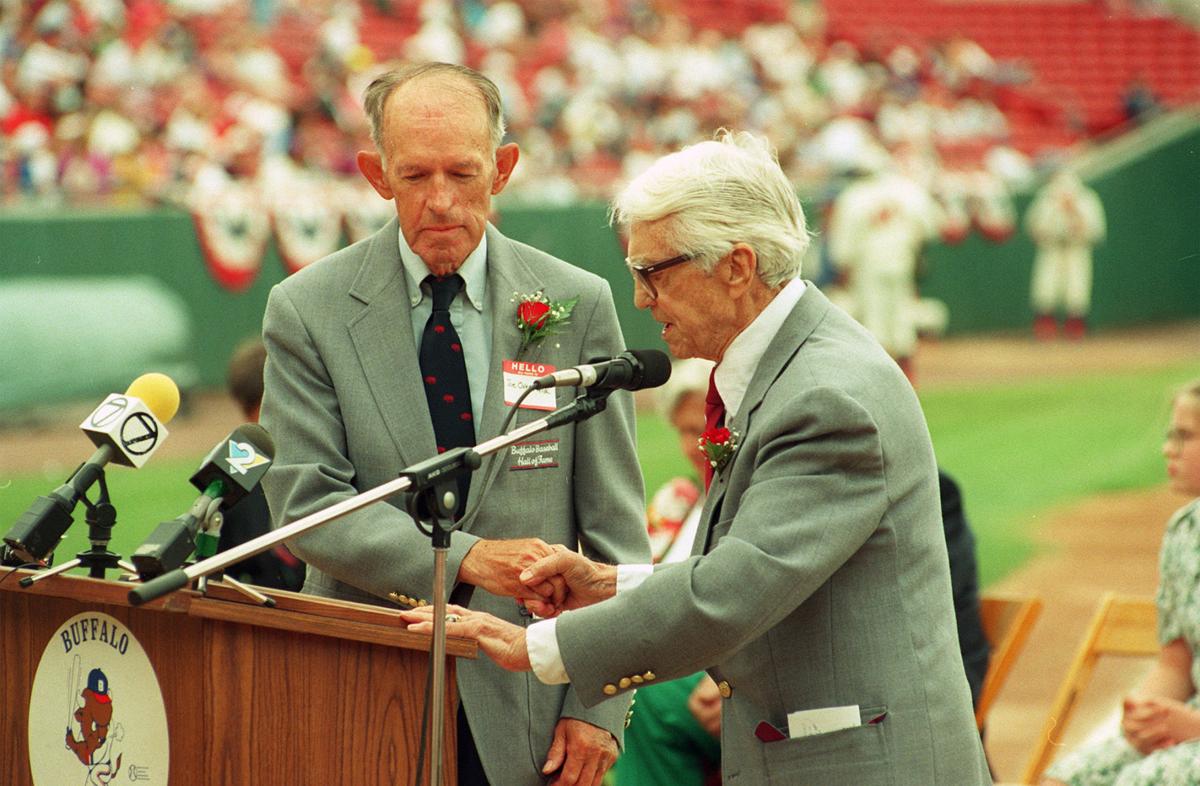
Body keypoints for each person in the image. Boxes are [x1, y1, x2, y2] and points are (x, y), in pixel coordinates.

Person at [402, 131, 992, 784]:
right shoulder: (794, 368)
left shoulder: (826, 395)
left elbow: (734, 591)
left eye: (653, 272)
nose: (640, 299)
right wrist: (607, 585)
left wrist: (535, 647)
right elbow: (746, 571)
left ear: (737, 267)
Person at [259, 63, 649, 786]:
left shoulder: (578, 302)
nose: (440, 201)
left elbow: (615, 531)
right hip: (356, 691)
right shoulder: (306, 309)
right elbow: (306, 509)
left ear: (502, 169)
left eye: (462, 173)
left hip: (531, 712)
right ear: (377, 175)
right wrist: (469, 558)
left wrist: (599, 708)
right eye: (414, 176)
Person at [1041, 380, 1200, 786]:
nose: (1168, 448)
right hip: (1188, 727)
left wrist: (1190, 726)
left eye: (1184, 436)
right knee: (1064, 778)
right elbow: (1174, 664)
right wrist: (1145, 714)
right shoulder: (1185, 532)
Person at [609, 357, 721, 786]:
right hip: (666, 664)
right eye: (688, 431)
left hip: (717, 677)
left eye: (708, 428)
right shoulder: (678, 500)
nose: (698, 445)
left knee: (643, 697)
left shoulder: (753, 499)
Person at [215, 337, 306, 591]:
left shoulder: (332, 452)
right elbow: (214, 567)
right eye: (253, 415)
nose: (264, 429)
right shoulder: (235, 464)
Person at [1025, 167, 1106, 341]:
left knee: (1077, 288)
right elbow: (1034, 228)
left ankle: (1076, 327)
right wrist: (1054, 214)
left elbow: (1097, 231)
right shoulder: (1046, 197)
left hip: (1077, 248)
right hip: (1052, 247)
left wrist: (1074, 213)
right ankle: (1045, 327)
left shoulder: (1086, 198)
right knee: (1045, 287)